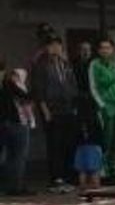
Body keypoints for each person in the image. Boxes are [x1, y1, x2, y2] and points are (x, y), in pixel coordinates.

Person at [28, 30, 80, 190]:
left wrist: (75, 106)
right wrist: (45, 110)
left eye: (58, 45)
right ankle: (56, 178)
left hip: (68, 108)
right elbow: (39, 90)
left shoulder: (65, 64)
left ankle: (69, 175)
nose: (55, 48)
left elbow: (73, 85)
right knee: (55, 145)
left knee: (69, 143)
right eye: (51, 45)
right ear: (46, 47)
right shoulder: (41, 65)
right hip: (52, 109)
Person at [89, 38, 115, 184]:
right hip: (106, 105)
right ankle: (103, 168)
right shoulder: (94, 65)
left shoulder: (114, 65)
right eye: (103, 48)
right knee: (107, 138)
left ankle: (114, 167)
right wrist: (101, 104)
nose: (105, 50)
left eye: (108, 48)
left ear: (113, 50)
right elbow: (93, 86)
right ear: (98, 50)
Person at [0, 56, 32, 196]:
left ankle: (7, 186)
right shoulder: (7, 83)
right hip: (14, 123)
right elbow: (26, 96)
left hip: (3, 124)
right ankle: (16, 187)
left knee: (6, 156)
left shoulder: (7, 83)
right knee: (18, 155)